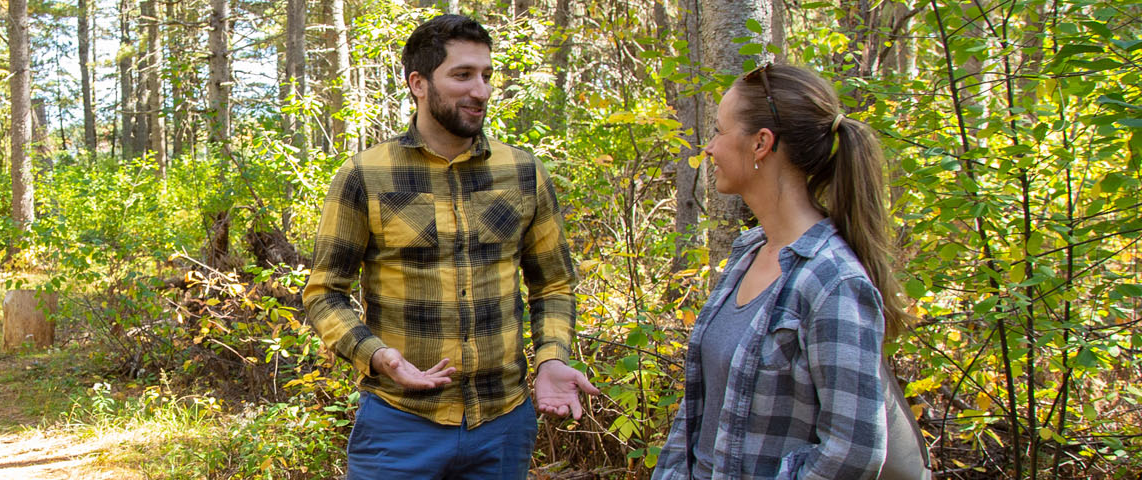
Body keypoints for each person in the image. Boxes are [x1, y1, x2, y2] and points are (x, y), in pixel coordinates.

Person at [302, 14, 600, 479]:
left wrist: (552, 358)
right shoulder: (365, 174)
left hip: (503, 424)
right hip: (400, 423)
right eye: (462, 75)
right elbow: (324, 293)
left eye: (485, 75)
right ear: (418, 83)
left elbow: (554, 284)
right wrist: (377, 355)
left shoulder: (523, 172)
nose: (479, 90)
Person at [650, 62, 926, 479]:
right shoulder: (749, 254)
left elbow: (854, 451)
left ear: (761, 143)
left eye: (721, 131)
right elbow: (696, 421)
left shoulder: (832, 281)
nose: (710, 148)